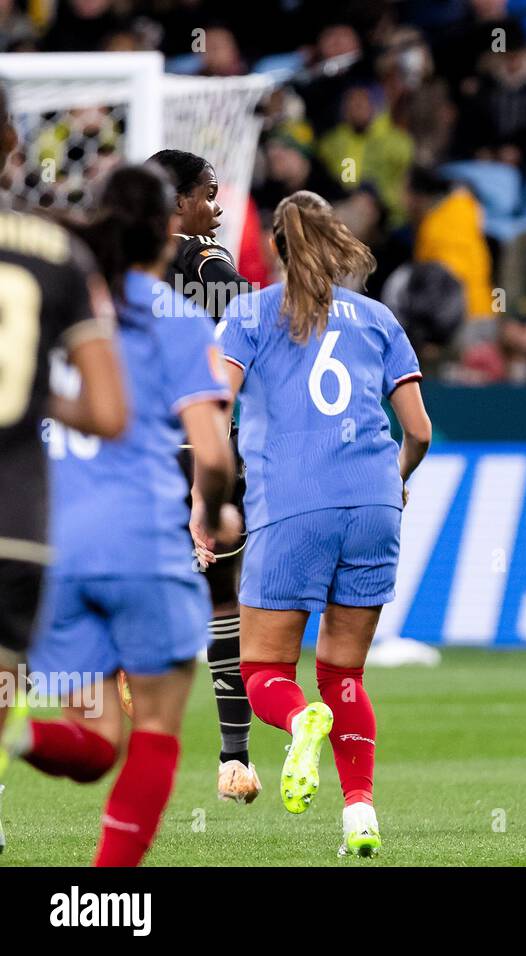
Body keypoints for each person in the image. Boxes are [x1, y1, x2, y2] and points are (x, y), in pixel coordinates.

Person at [8, 164, 235, 867]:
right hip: (142, 544)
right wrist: (215, 510)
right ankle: (111, 890)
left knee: (98, 739)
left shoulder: (61, 293)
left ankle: (11, 738)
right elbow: (215, 453)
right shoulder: (176, 315)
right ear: (165, 237)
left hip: (55, 550)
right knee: (156, 730)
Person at [217, 190, 432, 856]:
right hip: (373, 502)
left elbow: (212, 409)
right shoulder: (376, 318)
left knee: (263, 673)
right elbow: (420, 430)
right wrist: (390, 482)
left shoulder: (249, 315)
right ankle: (360, 814)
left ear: (276, 250)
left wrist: (210, 503)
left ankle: (299, 720)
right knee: (345, 676)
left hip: (290, 506)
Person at [0, 84, 128, 852]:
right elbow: (110, 414)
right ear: (13, 147)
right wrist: (30, 395)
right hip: (16, 521)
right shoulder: (58, 251)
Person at [148, 148, 262, 805]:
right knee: (225, 599)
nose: (217, 208)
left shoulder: (111, 268)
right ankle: (233, 759)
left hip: (129, 453)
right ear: (179, 204)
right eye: (209, 195)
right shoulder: (200, 257)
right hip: (199, 446)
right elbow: (249, 312)